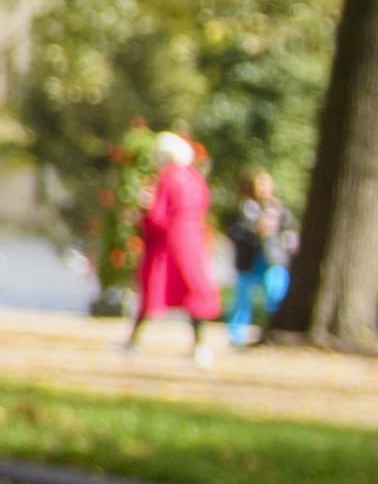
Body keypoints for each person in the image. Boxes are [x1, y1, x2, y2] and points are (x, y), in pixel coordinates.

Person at [123, 128, 222, 362]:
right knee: (195, 291)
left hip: (167, 242)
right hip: (193, 240)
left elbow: (157, 215)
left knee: (153, 289)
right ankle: (200, 345)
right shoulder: (194, 178)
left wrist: (141, 215)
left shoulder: (167, 178)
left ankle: (133, 341)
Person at [226, 167, 295, 349]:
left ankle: (274, 331)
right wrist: (254, 231)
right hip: (249, 260)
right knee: (242, 300)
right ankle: (236, 337)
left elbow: (290, 233)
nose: (264, 188)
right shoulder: (245, 209)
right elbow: (234, 232)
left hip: (272, 260)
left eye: (267, 183)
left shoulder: (280, 209)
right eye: (260, 183)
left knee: (276, 296)